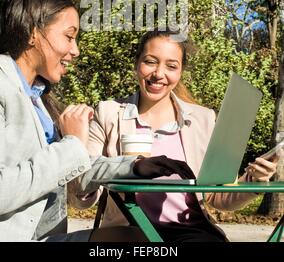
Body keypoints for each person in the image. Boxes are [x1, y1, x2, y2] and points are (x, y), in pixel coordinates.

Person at [0, 0, 194, 242]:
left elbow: (69, 173)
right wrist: (72, 145)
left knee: (139, 239)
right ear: (33, 33)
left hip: (49, 238)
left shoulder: (37, 98)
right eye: (69, 37)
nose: (76, 50)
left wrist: (135, 166)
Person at [84, 28, 278, 243]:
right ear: (136, 64)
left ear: (180, 72)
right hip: (130, 234)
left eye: (171, 66)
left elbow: (219, 196)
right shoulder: (108, 113)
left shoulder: (203, 120)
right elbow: (83, 188)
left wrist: (254, 180)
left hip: (191, 234)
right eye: (150, 61)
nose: (159, 73)